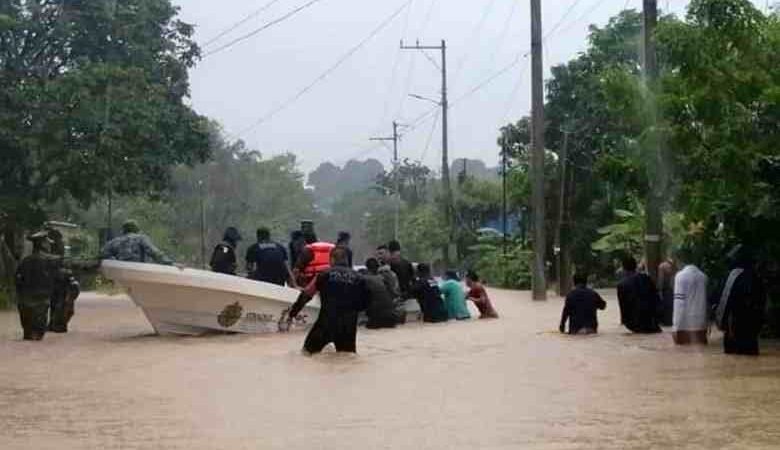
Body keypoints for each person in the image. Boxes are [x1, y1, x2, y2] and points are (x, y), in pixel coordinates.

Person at [287, 247, 369, 354]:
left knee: (306, 354)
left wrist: (292, 314)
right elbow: (367, 301)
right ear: (347, 260)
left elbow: (306, 295)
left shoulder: (324, 274)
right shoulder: (360, 278)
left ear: (332, 259)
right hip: (348, 327)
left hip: (325, 324)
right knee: (347, 358)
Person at [715, 245, 767, 356]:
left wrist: (722, 325)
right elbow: (762, 303)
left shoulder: (732, 276)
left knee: (730, 365)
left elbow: (722, 304)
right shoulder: (755, 277)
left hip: (733, 329)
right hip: (751, 330)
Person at [14, 231, 62, 340]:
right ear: (43, 244)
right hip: (41, 299)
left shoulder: (25, 261)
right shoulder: (50, 261)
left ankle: (30, 333)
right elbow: (57, 277)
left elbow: (17, 279)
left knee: (28, 332)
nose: (50, 245)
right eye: (47, 243)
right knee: (38, 331)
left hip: (25, 299)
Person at [672, 247, 709, 345]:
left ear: (679, 259)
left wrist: (676, 328)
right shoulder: (703, 276)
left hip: (685, 326)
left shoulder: (680, 276)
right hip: (701, 325)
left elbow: (679, 304)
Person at [617, 256, 661, 333]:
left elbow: (623, 306)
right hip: (651, 320)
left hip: (634, 323)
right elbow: (656, 297)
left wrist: (623, 321)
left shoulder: (621, 285)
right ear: (636, 266)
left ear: (623, 268)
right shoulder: (646, 278)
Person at [101, 220, 173, 265]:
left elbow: (103, 253)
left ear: (123, 230)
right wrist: (170, 263)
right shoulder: (141, 238)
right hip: (137, 270)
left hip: (120, 270)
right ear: (137, 230)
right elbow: (154, 252)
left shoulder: (115, 241)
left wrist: (114, 261)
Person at [363, 258, 402, 329]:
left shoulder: (364, 279)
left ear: (367, 268)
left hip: (377, 319)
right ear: (378, 268)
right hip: (392, 318)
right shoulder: (383, 279)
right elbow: (394, 294)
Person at [658, 257, 677, 327]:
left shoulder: (662, 266)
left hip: (666, 289)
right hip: (674, 288)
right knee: (672, 305)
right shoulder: (675, 266)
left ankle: (666, 321)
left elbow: (661, 279)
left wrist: (659, 289)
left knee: (666, 305)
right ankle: (671, 321)